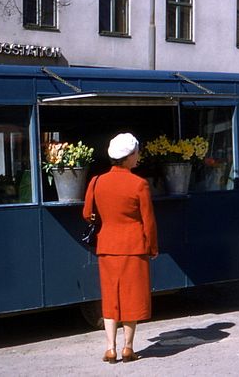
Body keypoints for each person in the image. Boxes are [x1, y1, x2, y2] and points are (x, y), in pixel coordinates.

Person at [83, 133, 159, 364]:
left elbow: (87, 214)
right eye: (136, 153)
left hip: (107, 246)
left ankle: (110, 348)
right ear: (128, 157)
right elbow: (149, 220)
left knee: (110, 297)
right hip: (134, 247)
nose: (138, 157)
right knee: (132, 297)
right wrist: (152, 247)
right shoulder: (139, 184)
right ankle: (128, 347)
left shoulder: (97, 181)